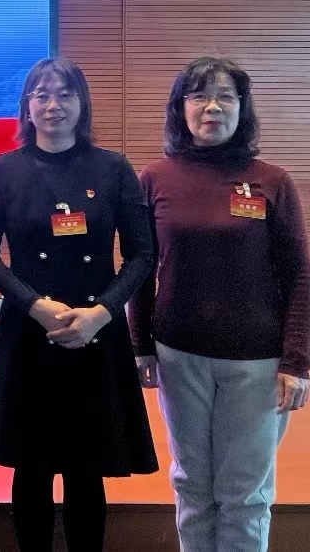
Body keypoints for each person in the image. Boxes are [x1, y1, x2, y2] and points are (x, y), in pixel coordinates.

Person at [0, 57, 158, 551]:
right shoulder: (3, 170)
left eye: (65, 94)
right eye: (42, 95)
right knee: (30, 464)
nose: (53, 105)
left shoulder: (113, 169)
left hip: (96, 331)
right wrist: (33, 304)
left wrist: (104, 311)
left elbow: (142, 254)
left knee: (85, 466)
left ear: (82, 103)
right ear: (27, 106)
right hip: (29, 330)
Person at [132, 56, 310, 551]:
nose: (212, 107)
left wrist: (297, 361)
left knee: (244, 493)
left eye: (225, 96)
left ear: (241, 108)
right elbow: (141, 268)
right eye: (199, 96)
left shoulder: (272, 181)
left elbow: (299, 275)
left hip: (257, 361)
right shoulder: (155, 178)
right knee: (191, 483)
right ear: (181, 108)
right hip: (179, 355)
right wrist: (140, 344)